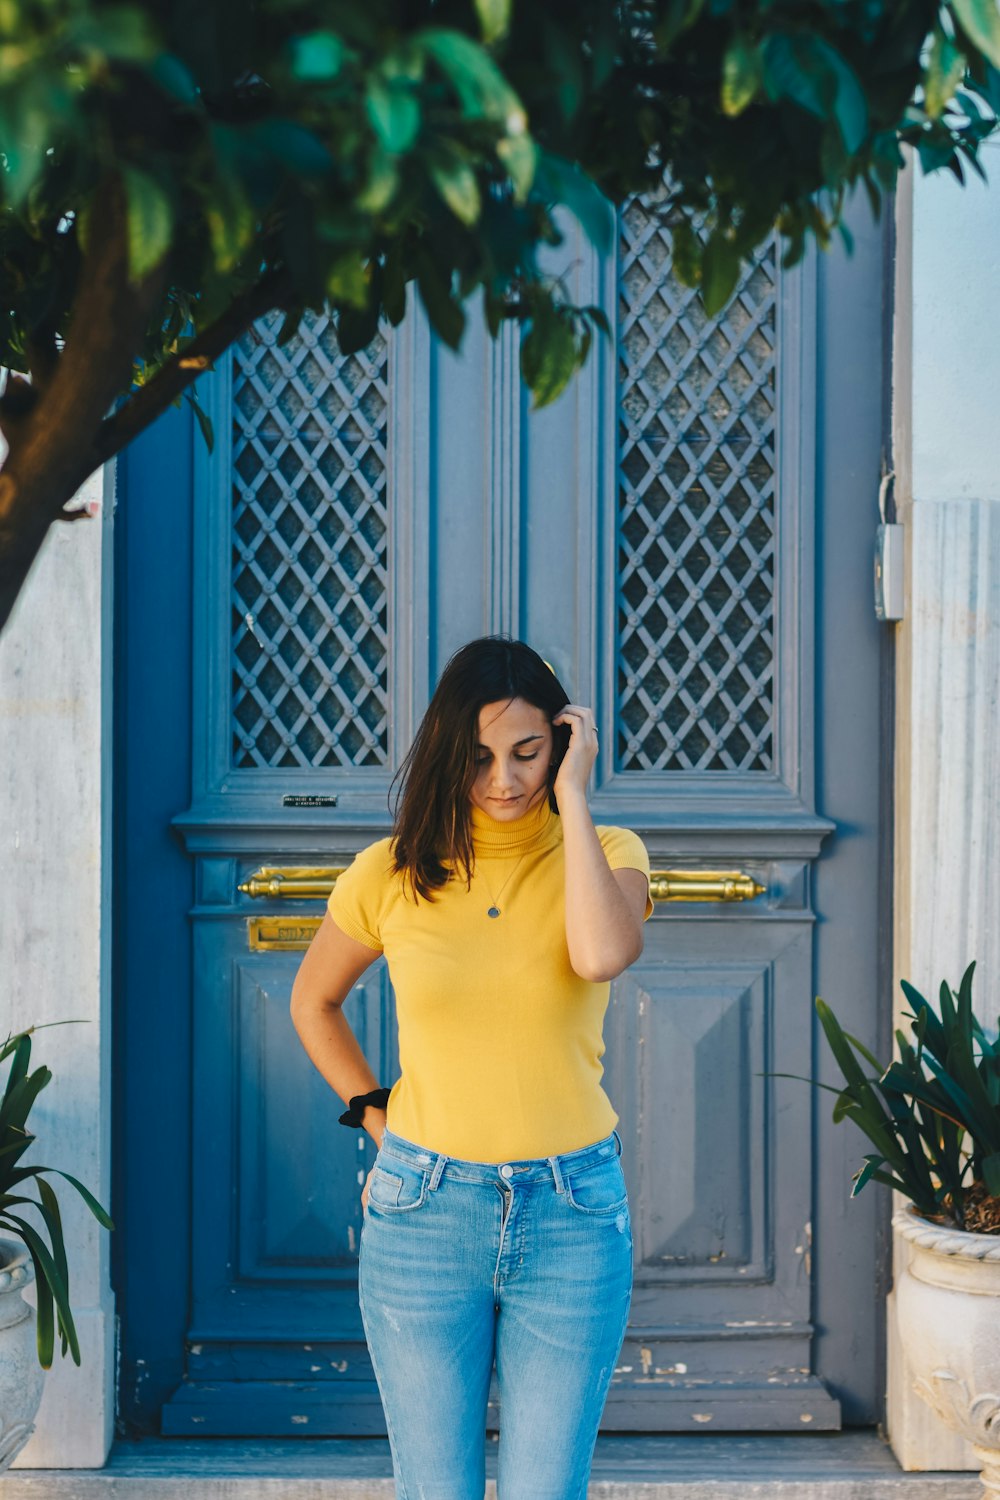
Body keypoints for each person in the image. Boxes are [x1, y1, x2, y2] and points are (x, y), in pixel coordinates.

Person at [290, 636, 653, 1500]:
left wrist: (573, 797)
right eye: (480, 757)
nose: (503, 779)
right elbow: (315, 1002)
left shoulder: (609, 853)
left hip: (572, 1215)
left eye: (528, 752)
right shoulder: (390, 873)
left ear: (560, 745)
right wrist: (376, 1115)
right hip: (424, 1211)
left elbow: (601, 955)